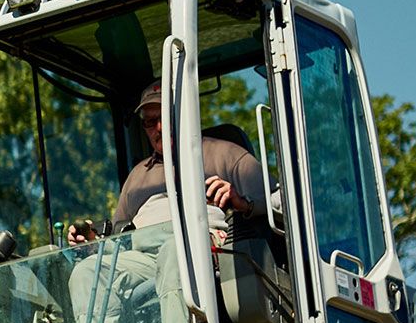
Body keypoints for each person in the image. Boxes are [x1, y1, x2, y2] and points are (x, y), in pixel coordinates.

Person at [66, 80, 267, 243]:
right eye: (150, 122)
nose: (159, 128)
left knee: (174, 252)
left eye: (165, 116)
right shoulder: (137, 177)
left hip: (199, 261)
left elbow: (282, 203)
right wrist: (91, 240)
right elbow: (120, 238)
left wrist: (244, 203)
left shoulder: (226, 154)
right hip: (141, 260)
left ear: (183, 115)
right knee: (86, 272)